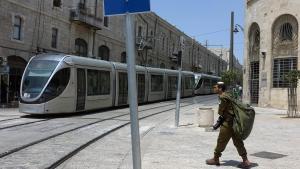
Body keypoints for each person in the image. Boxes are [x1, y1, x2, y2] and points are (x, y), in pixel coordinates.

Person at [206, 82, 251, 168]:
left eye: (215, 87)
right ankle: (246, 160)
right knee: (238, 142)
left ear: (220, 88)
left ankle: (216, 158)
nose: (214, 88)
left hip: (227, 123)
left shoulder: (223, 97)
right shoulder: (229, 95)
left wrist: (220, 120)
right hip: (234, 123)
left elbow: (221, 111)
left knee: (221, 141)